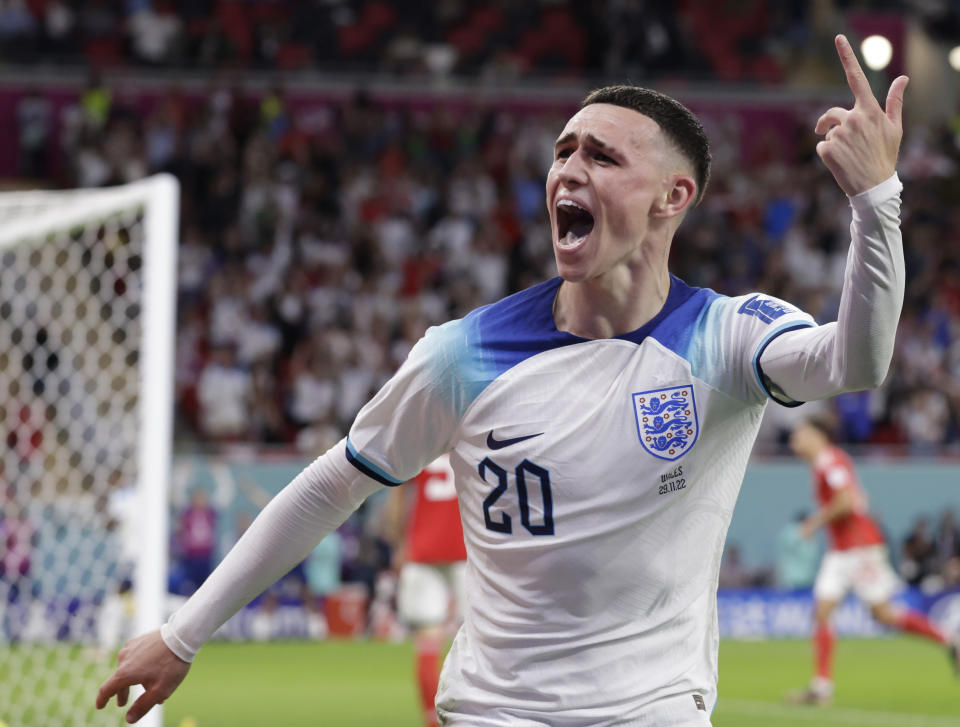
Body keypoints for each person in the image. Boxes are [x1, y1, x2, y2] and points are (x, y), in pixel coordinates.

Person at [97, 36, 915, 725]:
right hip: (494, 708)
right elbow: (329, 487)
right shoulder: (463, 354)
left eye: (602, 154)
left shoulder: (726, 336)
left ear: (675, 196)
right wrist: (182, 632)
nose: (568, 168)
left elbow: (858, 361)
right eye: (562, 150)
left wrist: (876, 202)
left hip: (656, 706)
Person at [786, 417, 958, 706]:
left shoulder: (830, 462)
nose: (795, 440)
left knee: (883, 614)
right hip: (841, 551)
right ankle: (820, 688)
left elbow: (845, 501)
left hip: (859, 549)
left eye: (801, 433)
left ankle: (949, 639)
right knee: (823, 611)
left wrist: (813, 523)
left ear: (819, 435)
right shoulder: (823, 464)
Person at [382, 454, 467, 727]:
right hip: (467, 550)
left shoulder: (424, 446)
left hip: (423, 549)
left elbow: (397, 497)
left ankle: (432, 721)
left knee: (428, 641)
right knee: (480, 642)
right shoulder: (473, 442)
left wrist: (397, 542)